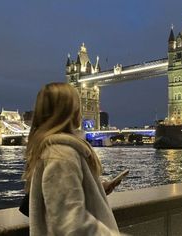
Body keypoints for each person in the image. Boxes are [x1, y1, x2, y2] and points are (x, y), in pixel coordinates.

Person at [22, 82, 124, 236]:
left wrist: (96, 188)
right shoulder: (62, 154)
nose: (82, 109)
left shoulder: (55, 150)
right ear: (67, 111)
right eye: (78, 104)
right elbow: (70, 223)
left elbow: (60, 197)